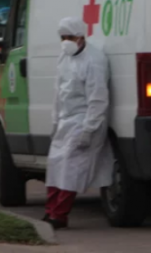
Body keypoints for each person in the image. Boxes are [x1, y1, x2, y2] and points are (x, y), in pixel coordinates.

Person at [43, 17, 114, 230]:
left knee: (70, 169)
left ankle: (60, 215)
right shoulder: (64, 57)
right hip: (65, 120)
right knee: (55, 165)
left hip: (83, 120)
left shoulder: (93, 61)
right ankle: (50, 211)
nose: (66, 42)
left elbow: (98, 98)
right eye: (63, 38)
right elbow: (59, 91)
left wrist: (89, 129)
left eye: (70, 37)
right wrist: (55, 121)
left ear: (81, 36)